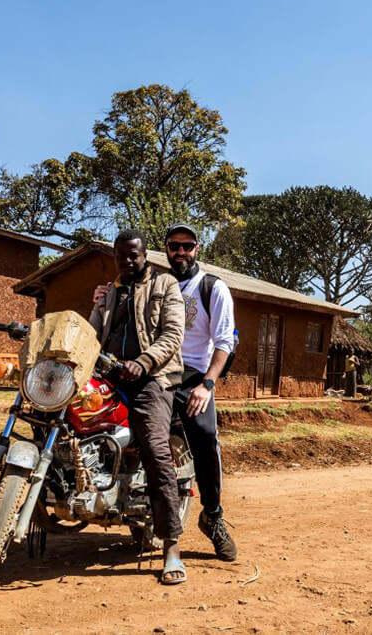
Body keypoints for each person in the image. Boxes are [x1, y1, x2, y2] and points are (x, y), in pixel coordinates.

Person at [93, 224, 239, 563]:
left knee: (203, 434)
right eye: (174, 246)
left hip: (190, 375)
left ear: (197, 249)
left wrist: (208, 384)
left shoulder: (210, 288)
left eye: (187, 246)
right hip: (145, 369)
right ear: (165, 249)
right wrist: (104, 302)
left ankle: (213, 515)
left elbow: (225, 342)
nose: (181, 252)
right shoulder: (148, 282)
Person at [88, 229, 189, 585]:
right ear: (115, 257)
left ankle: (171, 546)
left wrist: (144, 362)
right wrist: (95, 308)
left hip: (152, 379)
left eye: (135, 255)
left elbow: (173, 334)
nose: (128, 261)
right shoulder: (110, 291)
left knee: (155, 448)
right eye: (122, 256)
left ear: (145, 255)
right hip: (111, 374)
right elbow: (92, 334)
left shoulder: (165, 286)